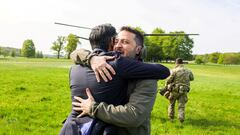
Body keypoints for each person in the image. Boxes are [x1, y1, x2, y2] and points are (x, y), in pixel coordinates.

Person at [60, 24, 170, 135]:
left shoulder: (147, 77)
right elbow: (74, 53)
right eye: (116, 41)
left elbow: (134, 116)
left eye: (125, 42)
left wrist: (93, 108)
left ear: (138, 49)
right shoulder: (106, 64)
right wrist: (91, 58)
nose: (117, 46)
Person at [160, 58, 194, 123]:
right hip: (184, 90)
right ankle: (181, 119)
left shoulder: (174, 70)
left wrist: (166, 86)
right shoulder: (188, 70)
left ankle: (171, 118)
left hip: (174, 90)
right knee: (181, 105)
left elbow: (168, 80)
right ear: (182, 63)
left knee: (171, 104)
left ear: (176, 63)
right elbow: (192, 78)